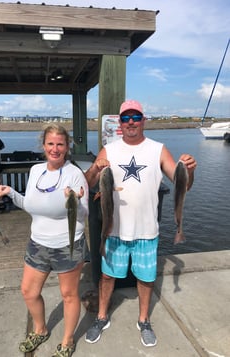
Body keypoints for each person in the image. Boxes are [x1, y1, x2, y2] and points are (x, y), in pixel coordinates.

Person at [84, 100, 197, 347]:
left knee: (146, 279)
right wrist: (95, 167)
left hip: (147, 231)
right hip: (114, 230)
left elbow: (183, 185)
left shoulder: (158, 150)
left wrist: (189, 170)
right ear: (120, 124)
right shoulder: (109, 150)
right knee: (106, 276)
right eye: (126, 118)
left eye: (136, 117)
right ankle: (102, 316)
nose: (131, 122)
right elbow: (87, 183)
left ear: (143, 120)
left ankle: (143, 320)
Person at [0, 124, 89, 357]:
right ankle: (40, 330)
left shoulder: (74, 174)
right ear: (43, 145)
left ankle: (67, 341)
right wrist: (11, 193)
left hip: (68, 244)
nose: (55, 149)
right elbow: (31, 205)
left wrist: (75, 201)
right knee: (28, 291)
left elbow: (85, 213)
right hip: (37, 243)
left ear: (67, 147)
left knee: (69, 295)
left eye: (60, 144)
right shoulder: (36, 170)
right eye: (50, 144)